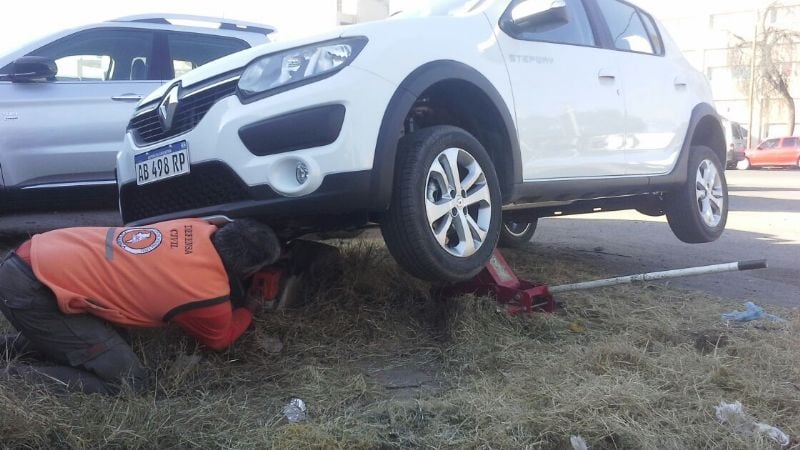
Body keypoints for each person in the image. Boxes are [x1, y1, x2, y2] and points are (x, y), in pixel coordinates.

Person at [0, 217, 281, 395]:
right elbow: (220, 339)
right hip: (32, 290)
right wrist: (249, 308)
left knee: (112, 343)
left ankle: (8, 347)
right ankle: (9, 379)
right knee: (129, 383)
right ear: (248, 270)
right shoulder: (206, 294)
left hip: (38, 253)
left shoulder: (195, 226)